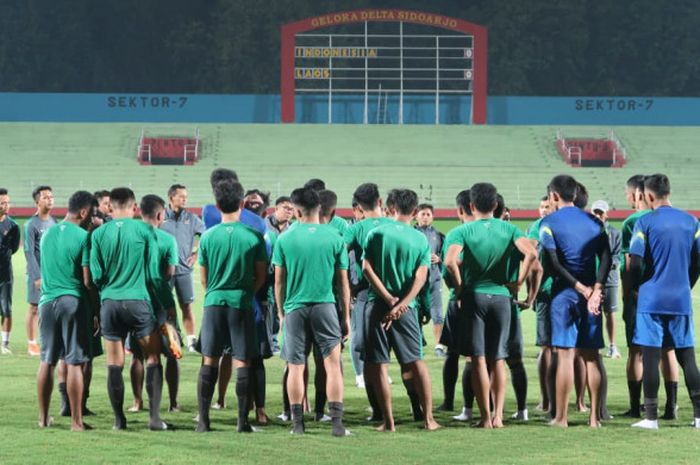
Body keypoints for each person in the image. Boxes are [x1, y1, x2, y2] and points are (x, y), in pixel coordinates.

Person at [445, 183, 537, 428]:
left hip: (474, 298)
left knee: (478, 360)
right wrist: (517, 281)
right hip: (502, 299)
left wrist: (460, 286)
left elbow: (450, 261)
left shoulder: (461, 232)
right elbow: (532, 255)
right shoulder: (510, 229)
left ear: (472, 206)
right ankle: (499, 417)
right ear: (496, 205)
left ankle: (485, 417)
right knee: (498, 359)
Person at [273, 186, 351, 436]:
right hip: (325, 306)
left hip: (295, 308)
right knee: (333, 365)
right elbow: (342, 283)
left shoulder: (285, 238)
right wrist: (346, 316)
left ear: (296, 210)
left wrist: (281, 312)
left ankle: (298, 425)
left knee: (295, 366)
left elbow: (279, 282)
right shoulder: (335, 237)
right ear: (320, 208)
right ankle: (337, 424)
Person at [89, 187, 167, 431]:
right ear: (134, 208)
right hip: (139, 302)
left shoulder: (99, 234)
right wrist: (165, 306)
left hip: (110, 303)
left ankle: (119, 420)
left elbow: (95, 275)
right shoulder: (145, 230)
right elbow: (154, 274)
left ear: (110, 207)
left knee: (114, 362)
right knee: (153, 357)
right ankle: (154, 419)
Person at [363, 189, 440, 432]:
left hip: (377, 306)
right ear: (415, 212)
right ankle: (428, 419)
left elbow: (366, 269)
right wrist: (402, 304)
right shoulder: (420, 239)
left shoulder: (376, 233)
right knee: (416, 362)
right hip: (407, 308)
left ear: (389, 208)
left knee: (380, 365)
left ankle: (389, 422)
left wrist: (388, 298)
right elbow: (421, 277)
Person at [195, 180, 267, 433]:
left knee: (209, 360)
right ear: (242, 204)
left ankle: (203, 421)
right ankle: (241, 422)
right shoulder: (254, 237)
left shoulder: (207, 237)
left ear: (217, 205)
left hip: (214, 303)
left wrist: (216, 290)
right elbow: (261, 276)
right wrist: (246, 292)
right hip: (241, 303)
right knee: (242, 361)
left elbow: (203, 278)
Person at [629, 174, 700, 430]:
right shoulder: (692, 222)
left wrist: (637, 288)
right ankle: (698, 417)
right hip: (680, 298)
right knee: (687, 357)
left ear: (648, 196)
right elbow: (698, 262)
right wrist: (685, 284)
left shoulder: (644, 223)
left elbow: (635, 263)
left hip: (652, 298)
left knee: (650, 355)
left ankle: (651, 417)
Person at [539, 175, 611, 428]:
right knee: (592, 357)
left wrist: (579, 288)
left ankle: (561, 418)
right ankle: (594, 419)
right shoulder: (594, 221)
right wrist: (595, 290)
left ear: (555, 196)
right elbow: (606, 257)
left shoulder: (548, 223)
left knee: (566, 356)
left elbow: (554, 263)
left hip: (565, 295)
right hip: (593, 296)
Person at [36, 191, 96, 431]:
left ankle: (42, 419)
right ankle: (76, 422)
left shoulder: (47, 234)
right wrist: (95, 308)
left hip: (46, 303)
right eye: (90, 213)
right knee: (73, 362)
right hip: (72, 301)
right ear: (83, 212)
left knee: (46, 361)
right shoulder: (84, 237)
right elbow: (87, 280)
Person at [620, 175, 679, 419]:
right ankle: (671, 407)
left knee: (637, 351)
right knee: (668, 350)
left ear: (637, 195)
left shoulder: (633, 222)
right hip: (672, 292)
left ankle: (637, 407)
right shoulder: (676, 219)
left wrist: (628, 294)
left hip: (641, 292)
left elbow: (629, 262)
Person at [343, 183, 395, 420]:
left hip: (368, 295)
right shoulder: (396, 226)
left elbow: (339, 254)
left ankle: (378, 412)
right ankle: (420, 412)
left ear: (359, 208)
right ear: (381, 202)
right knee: (411, 359)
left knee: (370, 354)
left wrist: (349, 286)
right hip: (401, 298)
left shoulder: (356, 229)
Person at [128, 195, 181, 413]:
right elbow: (169, 274)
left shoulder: (131, 237)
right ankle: (173, 402)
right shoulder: (168, 240)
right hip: (162, 304)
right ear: (161, 215)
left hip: (136, 302)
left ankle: (137, 401)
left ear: (139, 211)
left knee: (137, 354)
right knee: (171, 352)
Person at [439, 190, 475, 420]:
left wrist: (457, 289)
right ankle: (478, 405)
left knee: (453, 353)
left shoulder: (456, 233)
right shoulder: (497, 230)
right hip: (490, 298)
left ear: (461, 210)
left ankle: (450, 402)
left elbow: (447, 268)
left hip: (459, 301)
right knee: (481, 355)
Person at [160, 184, 205, 352]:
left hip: (184, 270)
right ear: (171, 198)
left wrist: (196, 253)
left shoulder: (192, 218)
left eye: (186, 196)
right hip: (164, 271)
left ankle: (191, 341)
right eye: (181, 196)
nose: (185, 199)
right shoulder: (162, 216)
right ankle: (172, 338)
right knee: (166, 307)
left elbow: (204, 235)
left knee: (186, 306)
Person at [527, 196, 555, 416]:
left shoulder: (538, 227)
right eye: (542, 206)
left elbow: (530, 255)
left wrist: (529, 292)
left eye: (548, 206)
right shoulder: (572, 222)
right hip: (572, 291)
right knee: (570, 349)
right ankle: (581, 402)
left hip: (546, 292)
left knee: (546, 347)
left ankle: (547, 401)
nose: (545, 210)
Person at [24, 185, 56, 356]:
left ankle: (48, 339)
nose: (50, 199)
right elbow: (29, 251)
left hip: (52, 273)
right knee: (34, 308)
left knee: (50, 307)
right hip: (37, 274)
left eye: (51, 197)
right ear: (37, 202)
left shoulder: (54, 222)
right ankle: (31, 343)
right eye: (45, 197)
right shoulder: (31, 224)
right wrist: (37, 277)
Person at [590, 200, 622, 359]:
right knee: (593, 312)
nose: (597, 215)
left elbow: (617, 256)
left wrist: (605, 265)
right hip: (590, 280)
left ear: (606, 214)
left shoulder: (615, 233)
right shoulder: (587, 231)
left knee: (610, 313)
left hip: (609, 280)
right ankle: (595, 345)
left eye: (600, 213)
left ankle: (612, 345)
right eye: (595, 212)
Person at [414, 203, 446, 358]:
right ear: (416, 215)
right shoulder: (410, 233)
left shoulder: (439, 236)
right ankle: (417, 343)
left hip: (434, 280)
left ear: (432, 217)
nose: (425, 217)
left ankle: (439, 346)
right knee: (416, 313)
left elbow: (446, 257)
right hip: (415, 281)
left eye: (428, 214)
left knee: (438, 313)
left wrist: (439, 258)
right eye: (422, 214)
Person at [0, 188, 20, 354]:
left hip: (5, 274)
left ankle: (5, 344)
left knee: (6, 309)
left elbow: (13, 249)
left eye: (7, 202)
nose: (6, 205)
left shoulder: (13, 225)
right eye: (2, 203)